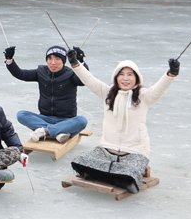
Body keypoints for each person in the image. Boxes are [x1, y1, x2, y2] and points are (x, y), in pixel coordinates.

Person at [67, 50, 179, 193]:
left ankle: (109, 175)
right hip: (107, 150)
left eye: (130, 75)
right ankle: (116, 177)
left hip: (135, 152)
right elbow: (90, 80)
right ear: (116, 77)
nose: (125, 78)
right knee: (79, 161)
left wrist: (171, 73)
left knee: (130, 171)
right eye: (121, 74)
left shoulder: (144, 97)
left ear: (137, 78)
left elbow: (160, 89)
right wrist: (75, 64)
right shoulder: (107, 93)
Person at [5, 45, 89, 143]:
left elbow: (84, 80)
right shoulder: (41, 72)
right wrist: (9, 60)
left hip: (66, 120)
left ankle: (46, 131)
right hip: (44, 119)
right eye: (50, 59)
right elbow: (20, 74)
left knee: (82, 121)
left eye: (57, 59)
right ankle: (59, 132)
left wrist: (81, 62)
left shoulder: (70, 74)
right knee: (21, 114)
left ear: (63, 61)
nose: (53, 62)